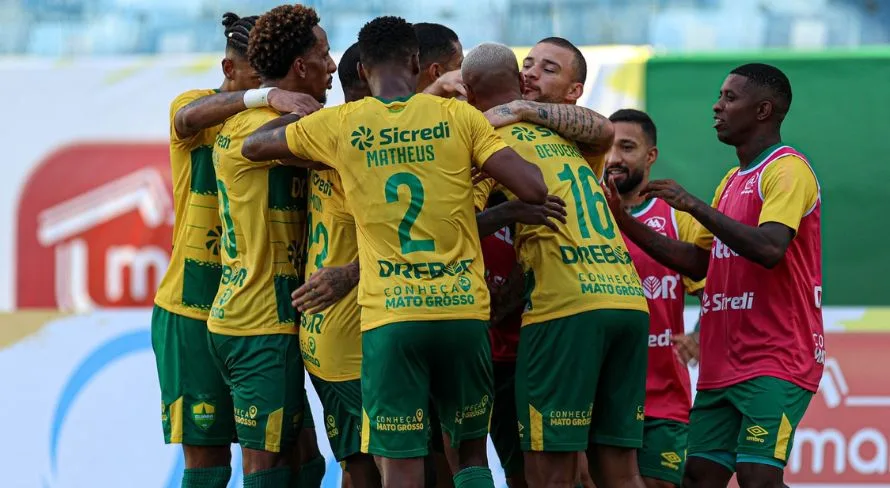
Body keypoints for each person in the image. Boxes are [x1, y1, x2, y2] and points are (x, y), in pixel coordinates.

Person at [242, 15, 552, 488]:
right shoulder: (459, 118)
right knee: (469, 457)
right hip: (462, 313)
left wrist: (298, 110)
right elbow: (533, 188)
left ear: (362, 71)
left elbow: (253, 146)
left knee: (402, 465)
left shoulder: (342, 123)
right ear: (415, 62)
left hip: (391, 317)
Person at [606, 63, 823, 488]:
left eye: (729, 98)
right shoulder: (731, 181)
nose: (717, 106)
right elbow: (699, 264)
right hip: (724, 364)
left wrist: (693, 205)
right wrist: (625, 221)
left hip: (776, 356)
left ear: (763, 110)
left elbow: (769, 248)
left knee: (758, 477)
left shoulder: (787, 169)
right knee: (699, 477)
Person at [462, 42, 650, 488]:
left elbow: (451, 225)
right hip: (627, 301)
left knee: (550, 476)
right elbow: (603, 130)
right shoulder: (569, 139)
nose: (533, 73)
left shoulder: (488, 141)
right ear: (516, 79)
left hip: (564, 308)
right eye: (527, 65)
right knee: (621, 473)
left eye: (547, 68)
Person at [151, 12, 320, 488]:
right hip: (191, 305)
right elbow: (186, 119)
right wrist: (266, 96)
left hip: (259, 311)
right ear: (229, 70)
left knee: (301, 455)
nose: (268, 86)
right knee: (208, 463)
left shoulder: (284, 125)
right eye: (256, 76)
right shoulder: (195, 107)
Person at [206, 5, 335, 487]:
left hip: (268, 316)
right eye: (325, 54)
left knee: (306, 460)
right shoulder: (259, 125)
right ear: (300, 66)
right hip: (258, 319)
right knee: (268, 466)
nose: (332, 65)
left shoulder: (277, 118)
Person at [296, 41, 382, 488]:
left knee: (359, 467)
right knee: (404, 467)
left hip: (322, 332)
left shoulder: (323, 133)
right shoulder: (368, 147)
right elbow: (416, 241)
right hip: (354, 340)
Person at [604, 108, 704, 488]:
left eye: (627, 147)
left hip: (664, 397)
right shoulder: (586, 213)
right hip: (601, 393)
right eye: (608, 147)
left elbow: (717, 287)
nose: (614, 158)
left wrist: (699, 334)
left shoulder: (676, 216)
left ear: (651, 156)